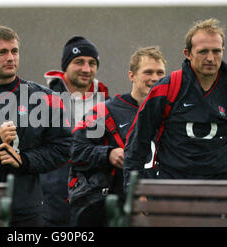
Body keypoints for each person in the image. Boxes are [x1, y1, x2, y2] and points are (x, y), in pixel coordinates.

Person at [123, 18, 227, 190]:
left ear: (223, 51)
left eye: (216, 51)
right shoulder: (166, 88)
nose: (210, 58)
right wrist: (135, 194)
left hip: (220, 196)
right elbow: (137, 144)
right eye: (203, 51)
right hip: (170, 193)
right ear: (188, 53)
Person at [0, 26, 73, 227]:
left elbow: (63, 147)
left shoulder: (44, 98)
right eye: (2, 52)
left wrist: (24, 160)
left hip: (27, 206)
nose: (10, 58)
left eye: (14, 51)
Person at [70, 46, 167, 226]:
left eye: (160, 73)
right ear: (132, 76)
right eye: (148, 72)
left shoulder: (172, 111)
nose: (155, 78)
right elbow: (75, 149)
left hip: (161, 204)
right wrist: (108, 154)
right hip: (113, 208)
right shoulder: (104, 111)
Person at [40, 36, 109, 227]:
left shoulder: (107, 103)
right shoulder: (41, 101)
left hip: (93, 201)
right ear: (65, 66)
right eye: (79, 62)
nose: (86, 69)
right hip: (52, 201)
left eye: (92, 63)